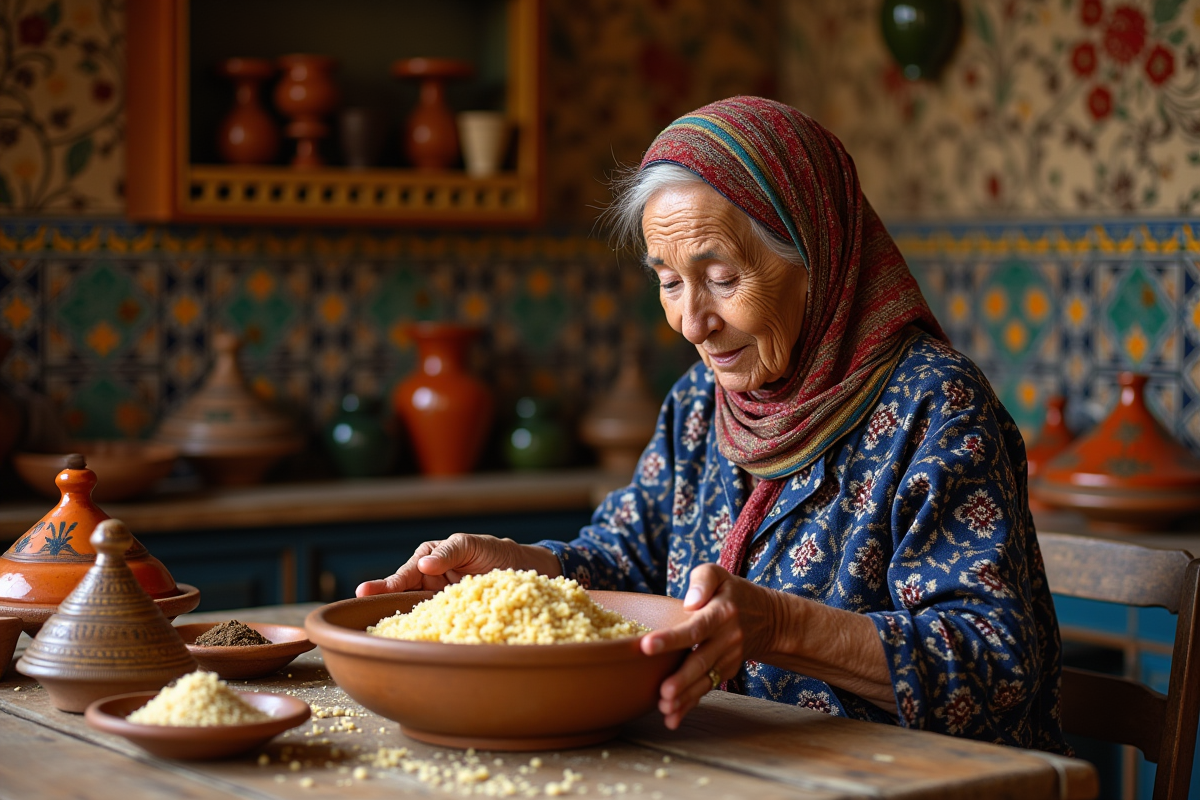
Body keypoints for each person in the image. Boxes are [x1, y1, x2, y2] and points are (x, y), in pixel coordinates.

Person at [358, 96, 1067, 753]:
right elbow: (628, 561)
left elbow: (997, 668)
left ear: (816, 259)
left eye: (722, 277)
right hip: (734, 767)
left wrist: (779, 628)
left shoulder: (932, 407)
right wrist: (520, 568)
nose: (692, 322)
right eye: (668, 280)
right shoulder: (702, 404)